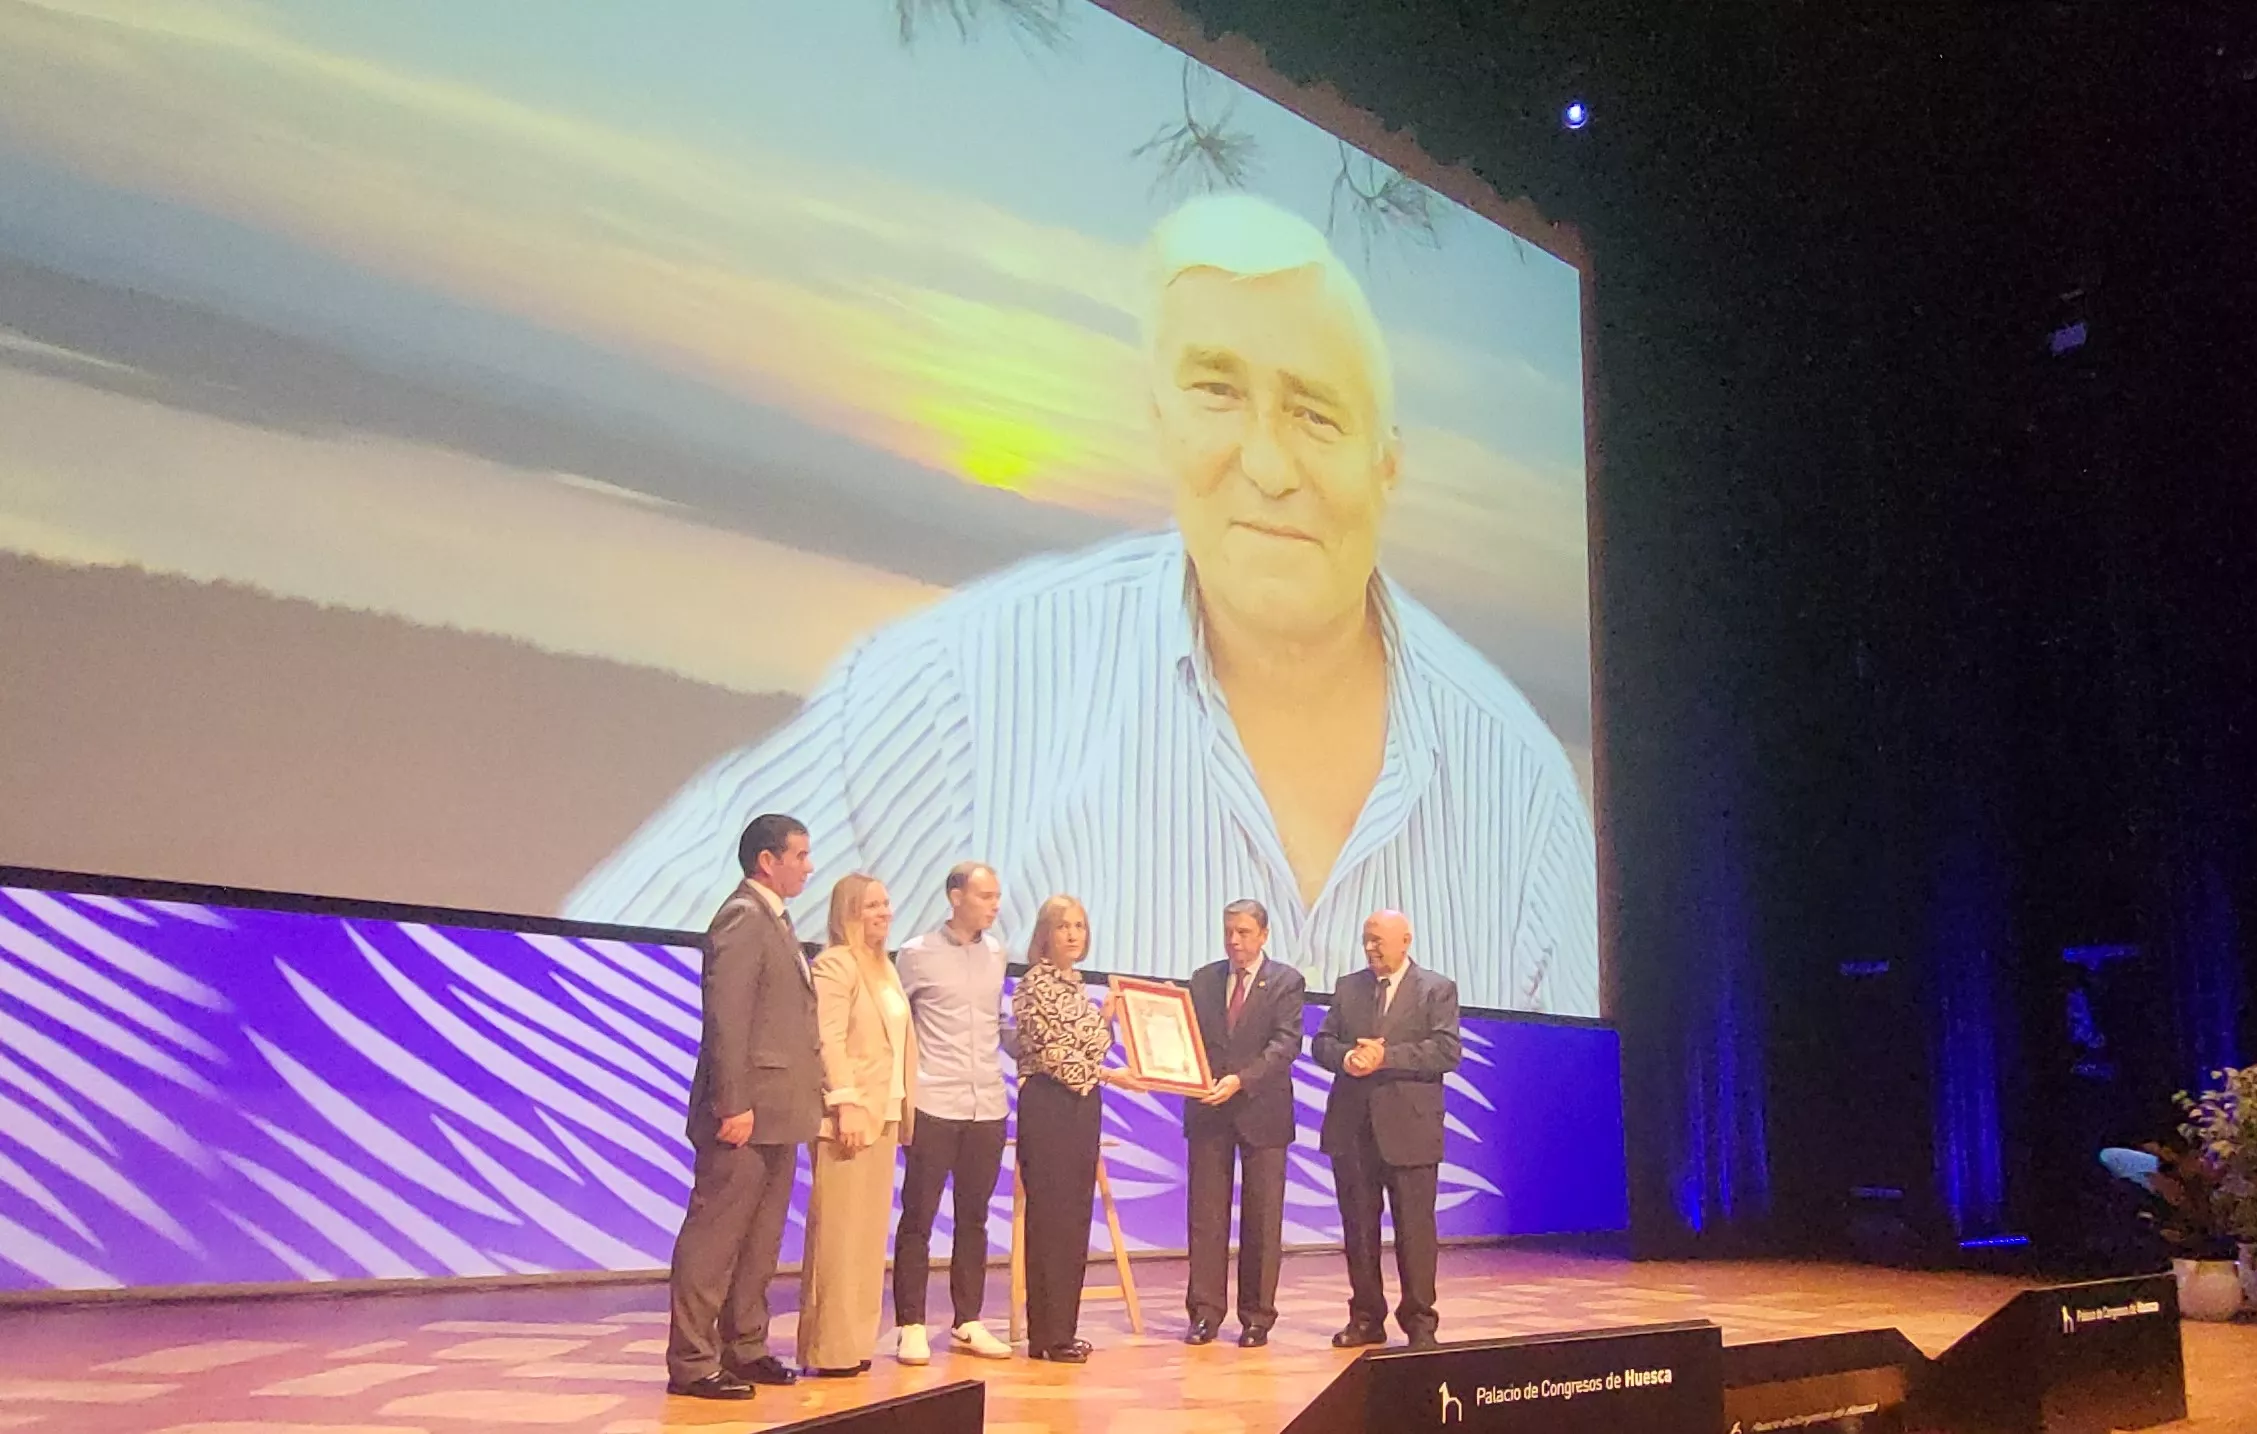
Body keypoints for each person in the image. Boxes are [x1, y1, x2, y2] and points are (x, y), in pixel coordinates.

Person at [565, 192, 1597, 1019]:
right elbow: (600, 1001)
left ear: (1388, 467)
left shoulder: (1522, 784)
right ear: (1157, 420)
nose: (1268, 463)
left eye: (1317, 413)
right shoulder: (961, 690)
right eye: (1215, 392)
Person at [665, 814, 821, 1400]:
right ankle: (692, 1360)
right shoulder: (742, 916)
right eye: (800, 855)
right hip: (745, 1110)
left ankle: (745, 1344)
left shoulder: (775, 921)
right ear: (767, 860)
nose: (809, 866)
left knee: (760, 1239)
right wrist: (733, 1101)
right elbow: (726, 1018)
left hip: (782, 1111)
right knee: (715, 1238)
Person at [1311, 909, 1459, 1351]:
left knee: (1415, 1232)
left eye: (1378, 940)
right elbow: (1322, 1042)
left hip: (1410, 1130)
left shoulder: (1436, 988)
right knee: (1358, 1230)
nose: (1371, 948)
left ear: (1406, 941)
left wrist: (1386, 1056)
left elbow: (1447, 1052)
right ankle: (1366, 1318)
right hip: (1352, 1128)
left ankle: (1419, 1322)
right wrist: (1345, 1059)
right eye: (1366, 940)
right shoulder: (1348, 987)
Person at [1007, 895, 1146, 1362]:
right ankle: (1045, 1334)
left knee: (1073, 1220)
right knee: (1050, 1221)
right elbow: (1059, 1058)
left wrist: (1106, 1017)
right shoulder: (1033, 985)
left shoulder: (1076, 987)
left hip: (1083, 1108)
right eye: (1063, 925)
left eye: (1080, 926)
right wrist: (1112, 1070)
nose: (1072, 934)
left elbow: (1086, 1047)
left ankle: (1061, 1332)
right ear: (1044, 934)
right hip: (1049, 1106)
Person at [889, 862, 1014, 1365]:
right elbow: (898, 1027)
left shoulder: (998, 953)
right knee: (918, 1215)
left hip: (987, 1101)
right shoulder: (916, 955)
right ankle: (911, 1323)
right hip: (933, 1100)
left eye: (997, 896)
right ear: (955, 896)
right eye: (985, 895)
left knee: (975, 1217)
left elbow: (995, 1022)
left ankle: (968, 1319)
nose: (994, 904)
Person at [795, 873, 914, 1377]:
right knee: (838, 1240)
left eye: (886, 903)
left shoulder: (883, 968)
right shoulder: (835, 965)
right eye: (871, 905)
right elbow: (828, 1039)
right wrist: (844, 1102)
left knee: (867, 1241)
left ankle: (857, 1342)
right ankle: (830, 1348)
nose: (884, 913)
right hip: (849, 1117)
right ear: (849, 911)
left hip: (885, 1113)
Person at [1181, 898, 1305, 1348]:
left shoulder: (1287, 982)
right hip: (1208, 1109)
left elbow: (1285, 1044)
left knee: (1262, 1218)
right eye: (1229, 930)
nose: (1235, 940)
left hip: (1262, 1111)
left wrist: (1240, 1080)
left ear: (1264, 935)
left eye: (1244, 932)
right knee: (1206, 1217)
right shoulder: (1202, 979)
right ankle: (1205, 1313)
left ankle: (1256, 1317)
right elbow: (1186, 1040)